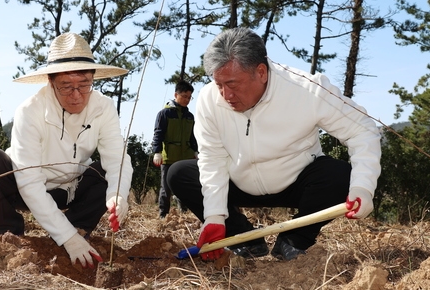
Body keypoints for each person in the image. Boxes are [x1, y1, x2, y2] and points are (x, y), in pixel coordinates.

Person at [167, 27, 381, 261]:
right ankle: (244, 239)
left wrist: (363, 187)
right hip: (238, 182)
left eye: (232, 84)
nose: (225, 95)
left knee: (341, 176)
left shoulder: (307, 89)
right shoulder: (210, 99)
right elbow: (212, 158)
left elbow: (362, 129)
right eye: (219, 85)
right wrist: (215, 218)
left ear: (261, 72)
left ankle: (294, 240)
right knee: (179, 174)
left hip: (296, 182)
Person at [0, 32, 133, 269]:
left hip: (70, 188)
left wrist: (118, 194)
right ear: (50, 82)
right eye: (66, 86)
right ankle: (9, 235)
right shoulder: (30, 111)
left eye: (84, 85)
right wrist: (68, 240)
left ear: (93, 78)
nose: (76, 95)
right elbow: (29, 181)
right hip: (23, 186)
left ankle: (76, 225)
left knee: (104, 173)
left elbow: (116, 158)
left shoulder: (104, 106)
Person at [151, 80, 198, 218]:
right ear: (175, 94)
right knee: (166, 189)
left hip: (186, 157)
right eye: (184, 96)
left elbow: (192, 136)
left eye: (189, 97)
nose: (187, 100)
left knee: (186, 188)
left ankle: (184, 213)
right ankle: (163, 215)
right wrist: (157, 152)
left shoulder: (190, 116)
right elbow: (158, 133)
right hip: (169, 157)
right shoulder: (164, 114)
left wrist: (195, 151)